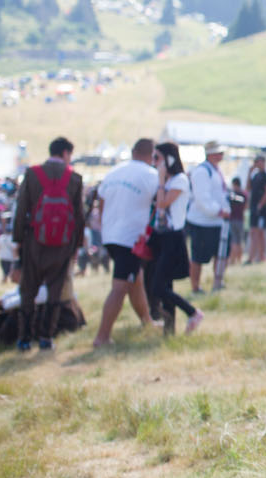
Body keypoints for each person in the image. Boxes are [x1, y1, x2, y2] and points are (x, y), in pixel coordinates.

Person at [13, 137, 85, 350]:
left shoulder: (32, 174)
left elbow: (21, 209)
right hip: (62, 244)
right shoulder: (74, 178)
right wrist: (76, 246)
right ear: (65, 153)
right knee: (55, 291)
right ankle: (46, 337)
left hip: (34, 241)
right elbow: (79, 217)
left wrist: (18, 240)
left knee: (28, 291)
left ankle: (24, 339)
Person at [92, 139, 160, 347]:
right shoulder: (151, 175)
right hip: (131, 238)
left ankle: (147, 321)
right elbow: (160, 204)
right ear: (152, 155)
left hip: (111, 235)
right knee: (120, 286)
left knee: (135, 280)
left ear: (133, 152)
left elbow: (101, 202)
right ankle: (102, 337)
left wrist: (106, 227)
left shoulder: (114, 172)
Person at [146, 143, 202, 334]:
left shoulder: (179, 180)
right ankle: (169, 331)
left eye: (157, 158)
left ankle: (193, 312)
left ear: (169, 159)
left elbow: (162, 203)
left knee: (158, 286)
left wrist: (161, 180)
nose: (154, 162)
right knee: (165, 285)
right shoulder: (167, 181)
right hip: (161, 237)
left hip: (173, 238)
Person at [185, 141, 229, 294]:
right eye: (218, 152)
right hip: (202, 221)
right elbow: (202, 198)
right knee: (198, 257)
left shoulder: (215, 170)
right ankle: (195, 286)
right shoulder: (202, 171)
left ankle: (218, 281)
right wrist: (218, 211)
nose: (221, 155)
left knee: (220, 253)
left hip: (215, 221)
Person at [247, 155, 266, 263]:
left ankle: (261, 255)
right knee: (253, 231)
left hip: (262, 208)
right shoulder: (255, 175)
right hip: (254, 207)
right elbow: (248, 188)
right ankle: (252, 256)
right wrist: (249, 172)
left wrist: (260, 204)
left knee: (260, 231)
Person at [226, 178, 247, 268]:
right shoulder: (244, 195)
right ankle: (239, 258)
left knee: (234, 240)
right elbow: (245, 206)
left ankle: (233, 259)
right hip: (240, 219)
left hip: (233, 219)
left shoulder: (232, 195)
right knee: (239, 240)